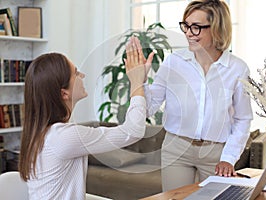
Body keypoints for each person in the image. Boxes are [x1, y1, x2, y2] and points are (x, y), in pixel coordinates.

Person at [129, 0, 253, 191]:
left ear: (217, 29)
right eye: (186, 26)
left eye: (196, 27)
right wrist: (140, 81)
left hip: (216, 152)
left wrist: (228, 158)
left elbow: (243, 118)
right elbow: (149, 108)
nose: (188, 33)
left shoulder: (237, 68)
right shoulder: (173, 63)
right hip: (177, 148)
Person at [18, 37, 154, 199]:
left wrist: (140, 83)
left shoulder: (42, 134)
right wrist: (136, 83)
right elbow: (133, 131)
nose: (82, 75)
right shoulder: (64, 137)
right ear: (64, 93)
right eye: (76, 73)